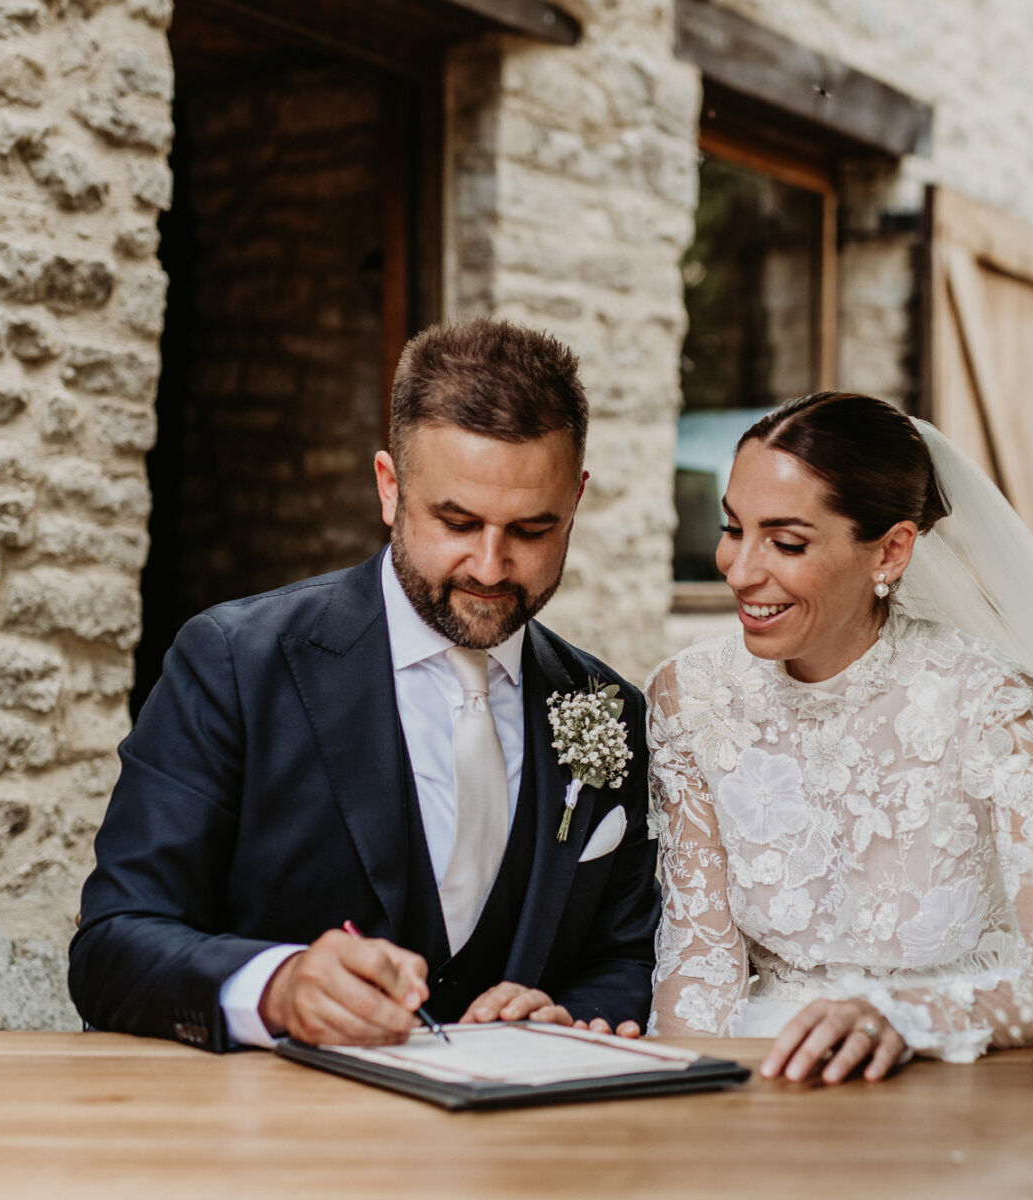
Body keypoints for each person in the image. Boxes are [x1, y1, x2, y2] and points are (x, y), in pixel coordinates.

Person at [69, 319, 658, 1052]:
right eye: (457, 521)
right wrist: (279, 988)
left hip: (515, 1153)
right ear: (389, 487)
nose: (490, 565)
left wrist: (568, 1013)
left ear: (575, 499)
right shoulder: (231, 663)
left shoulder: (610, 711)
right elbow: (113, 945)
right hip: (284, 1143)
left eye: (532, 530)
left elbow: (626, 956)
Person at [646, 392, 1033, 1083]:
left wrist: (912, 1017)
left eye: (787, 542)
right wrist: (682, 1093)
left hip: (959, 1064)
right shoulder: (692, 695)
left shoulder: (985, 701)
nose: (739, 569)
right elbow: (698, 961)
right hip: (770, 1063)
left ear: (890, 551)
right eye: (732, 528)